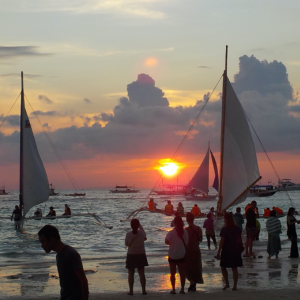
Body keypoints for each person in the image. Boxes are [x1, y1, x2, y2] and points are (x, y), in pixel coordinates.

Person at [38, 225, 89, 300]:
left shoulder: (70, 254)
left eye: (43, 241)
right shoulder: (59, 255)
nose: (42, 245)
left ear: (52, 239)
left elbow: (83, 280)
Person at [215, 212, 243, 291]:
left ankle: (227, 283)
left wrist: (218, 251)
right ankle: (234, 286)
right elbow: (239, 239)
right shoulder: (237, 228)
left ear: (226, 219)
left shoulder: (224, 229)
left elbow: (222, 241)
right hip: (235, 248)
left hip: (227, 249)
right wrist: (241, 248)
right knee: (234, 268)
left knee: (223, 267)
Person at [165, 216, 188, 294]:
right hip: (181, 253)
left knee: (172, 273)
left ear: (174, 223)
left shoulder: (171, 232)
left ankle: (174, 289)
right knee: (182, 273)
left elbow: (166, 241)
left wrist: (172, 243)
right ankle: (182, 289)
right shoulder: (185, 232)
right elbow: (187, 242)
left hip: (172, 254)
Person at [125, 219, 148, 295]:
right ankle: (143, 290)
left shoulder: (128, 234)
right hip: (141, 254)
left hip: (131, 254)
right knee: (141, 273)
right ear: (138, 225)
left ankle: (131, 291)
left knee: (131, 273)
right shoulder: (141, 233)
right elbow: (144, 234)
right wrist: (140, 226)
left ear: (131, 226)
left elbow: (126, 244)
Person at [185, 212, 203, 292]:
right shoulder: (198, 229)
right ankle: (193, 283)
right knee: (196, 267)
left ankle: (192, 282)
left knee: (188, 267)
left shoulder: (186, 230)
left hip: (188, 250)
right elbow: (200, 239)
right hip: (196, 249)